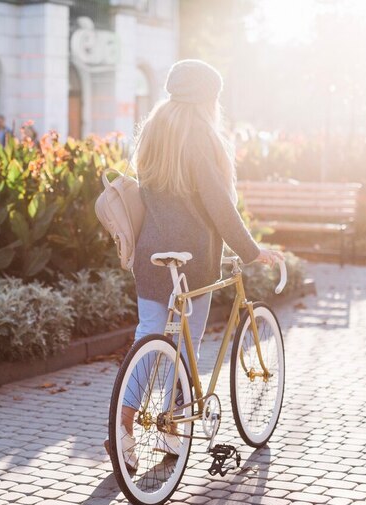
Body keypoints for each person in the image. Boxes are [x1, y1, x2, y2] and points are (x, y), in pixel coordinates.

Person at [104, 59, 284, 467]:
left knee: (149, 337)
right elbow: (219, 204)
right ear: (208, 97)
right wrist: (251, 250)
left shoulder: (154, 127)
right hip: (195, 257)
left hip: (151, 255)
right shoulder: (201, 133)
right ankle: (170, 431)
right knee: (187, 344)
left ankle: (124, 425)